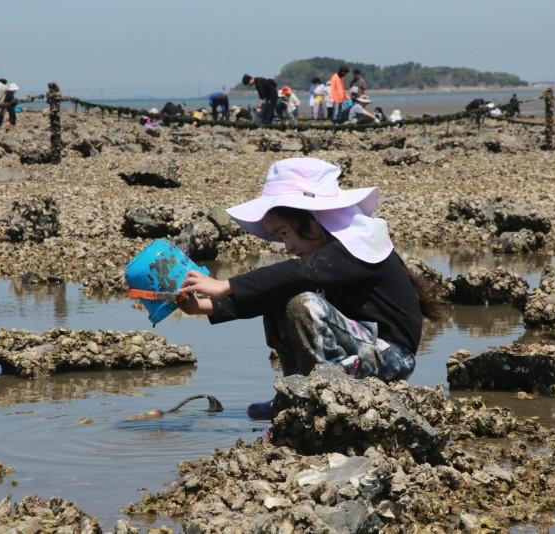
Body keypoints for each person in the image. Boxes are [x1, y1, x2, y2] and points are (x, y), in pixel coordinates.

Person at [174, 157, 440, 420]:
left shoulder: (358, 245)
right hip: (359, 346)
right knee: (279, 296)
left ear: (312, 222)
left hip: (390, 357)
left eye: (284, 234)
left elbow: (296, 273)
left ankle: (324, 396)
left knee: (302, 302)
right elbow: (280, 285)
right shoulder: (332, 251)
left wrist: (225, 285)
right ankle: (294, 393)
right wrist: (205, 306)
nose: (287, 246)